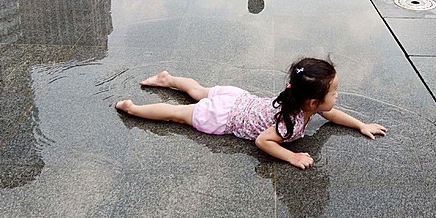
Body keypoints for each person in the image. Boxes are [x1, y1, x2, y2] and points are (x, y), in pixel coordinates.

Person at [115, 58, 387, 169]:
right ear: (314, 102)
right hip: (224, 116)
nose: (336, 96)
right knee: (177, 113)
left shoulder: (301, 103)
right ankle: (134, 109)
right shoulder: (290, 122)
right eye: (334, 92)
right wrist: (291, 156)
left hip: (240, 98)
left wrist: (360, 125)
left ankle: (168, 79)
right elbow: (263, 141)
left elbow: (334, 114)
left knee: (198, 90)